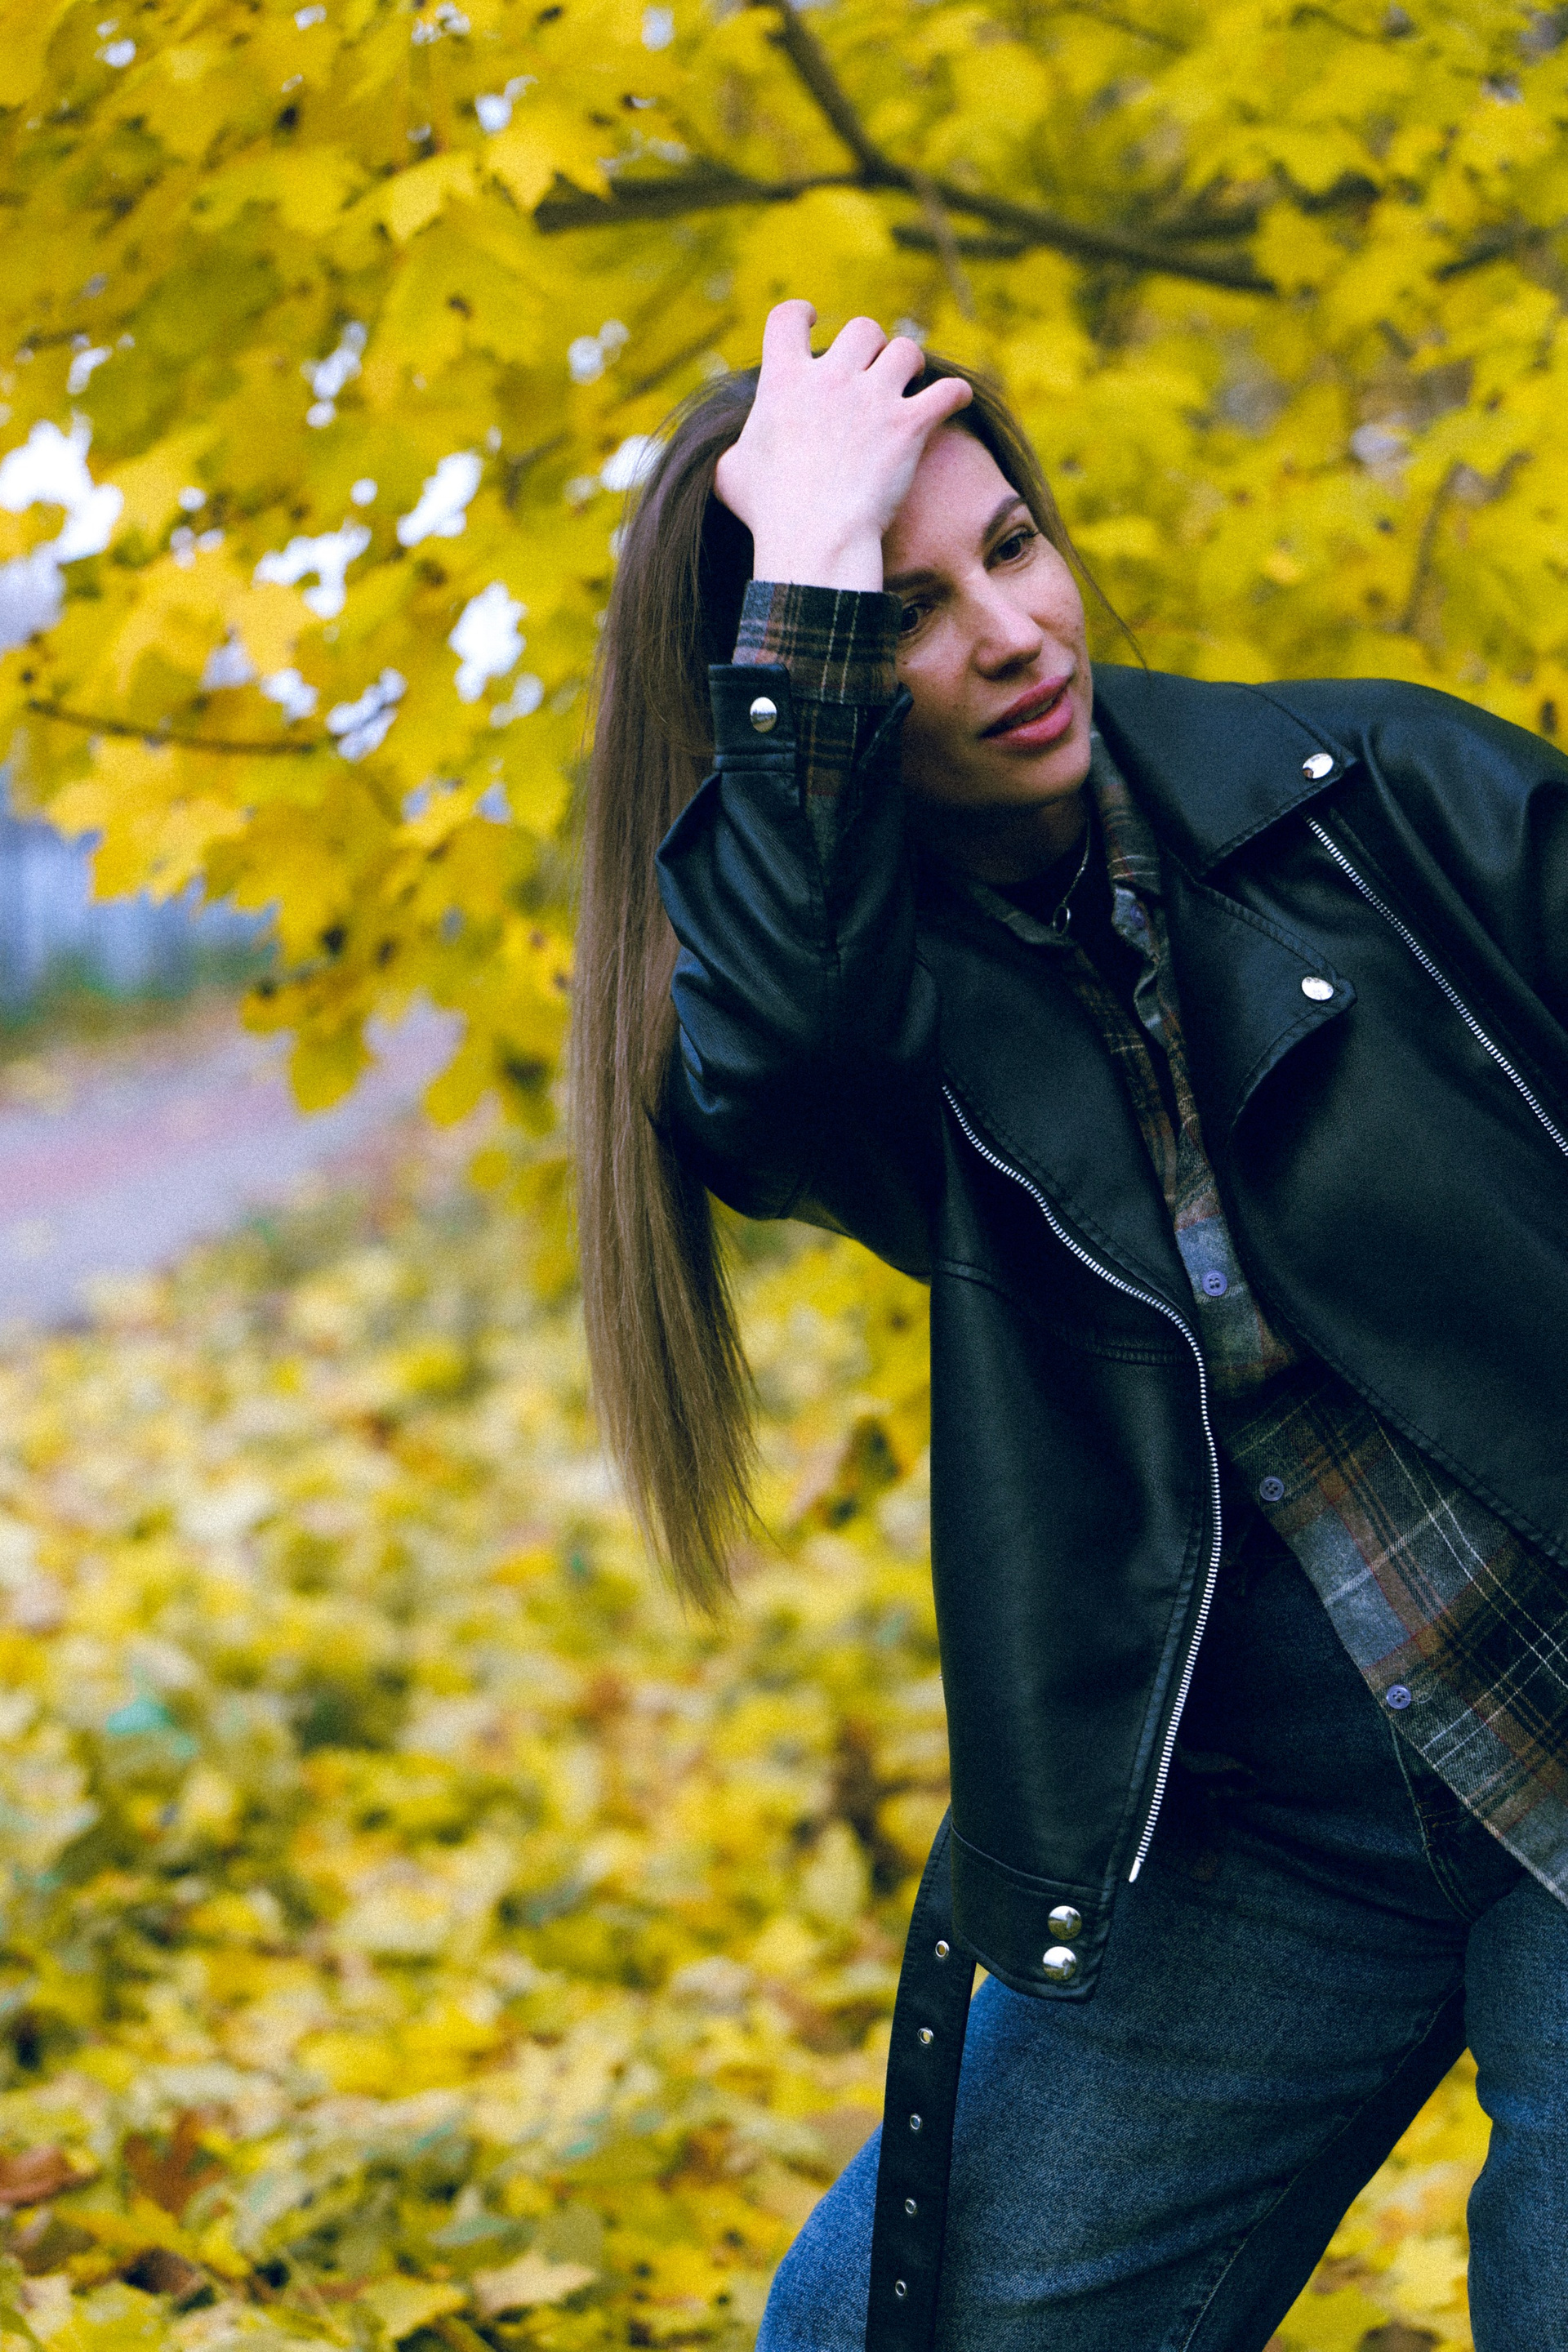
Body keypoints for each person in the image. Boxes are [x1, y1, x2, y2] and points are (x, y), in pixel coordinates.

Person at [570, 301, 1568, 2352]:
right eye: (905, 614)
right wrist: (803, 569)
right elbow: (770, 1045)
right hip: (1286, 1817)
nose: (1015, 636)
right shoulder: (867, 1030)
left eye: (1012, 549)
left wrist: (852, 576)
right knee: (871, 2333)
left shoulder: (1386, 792)